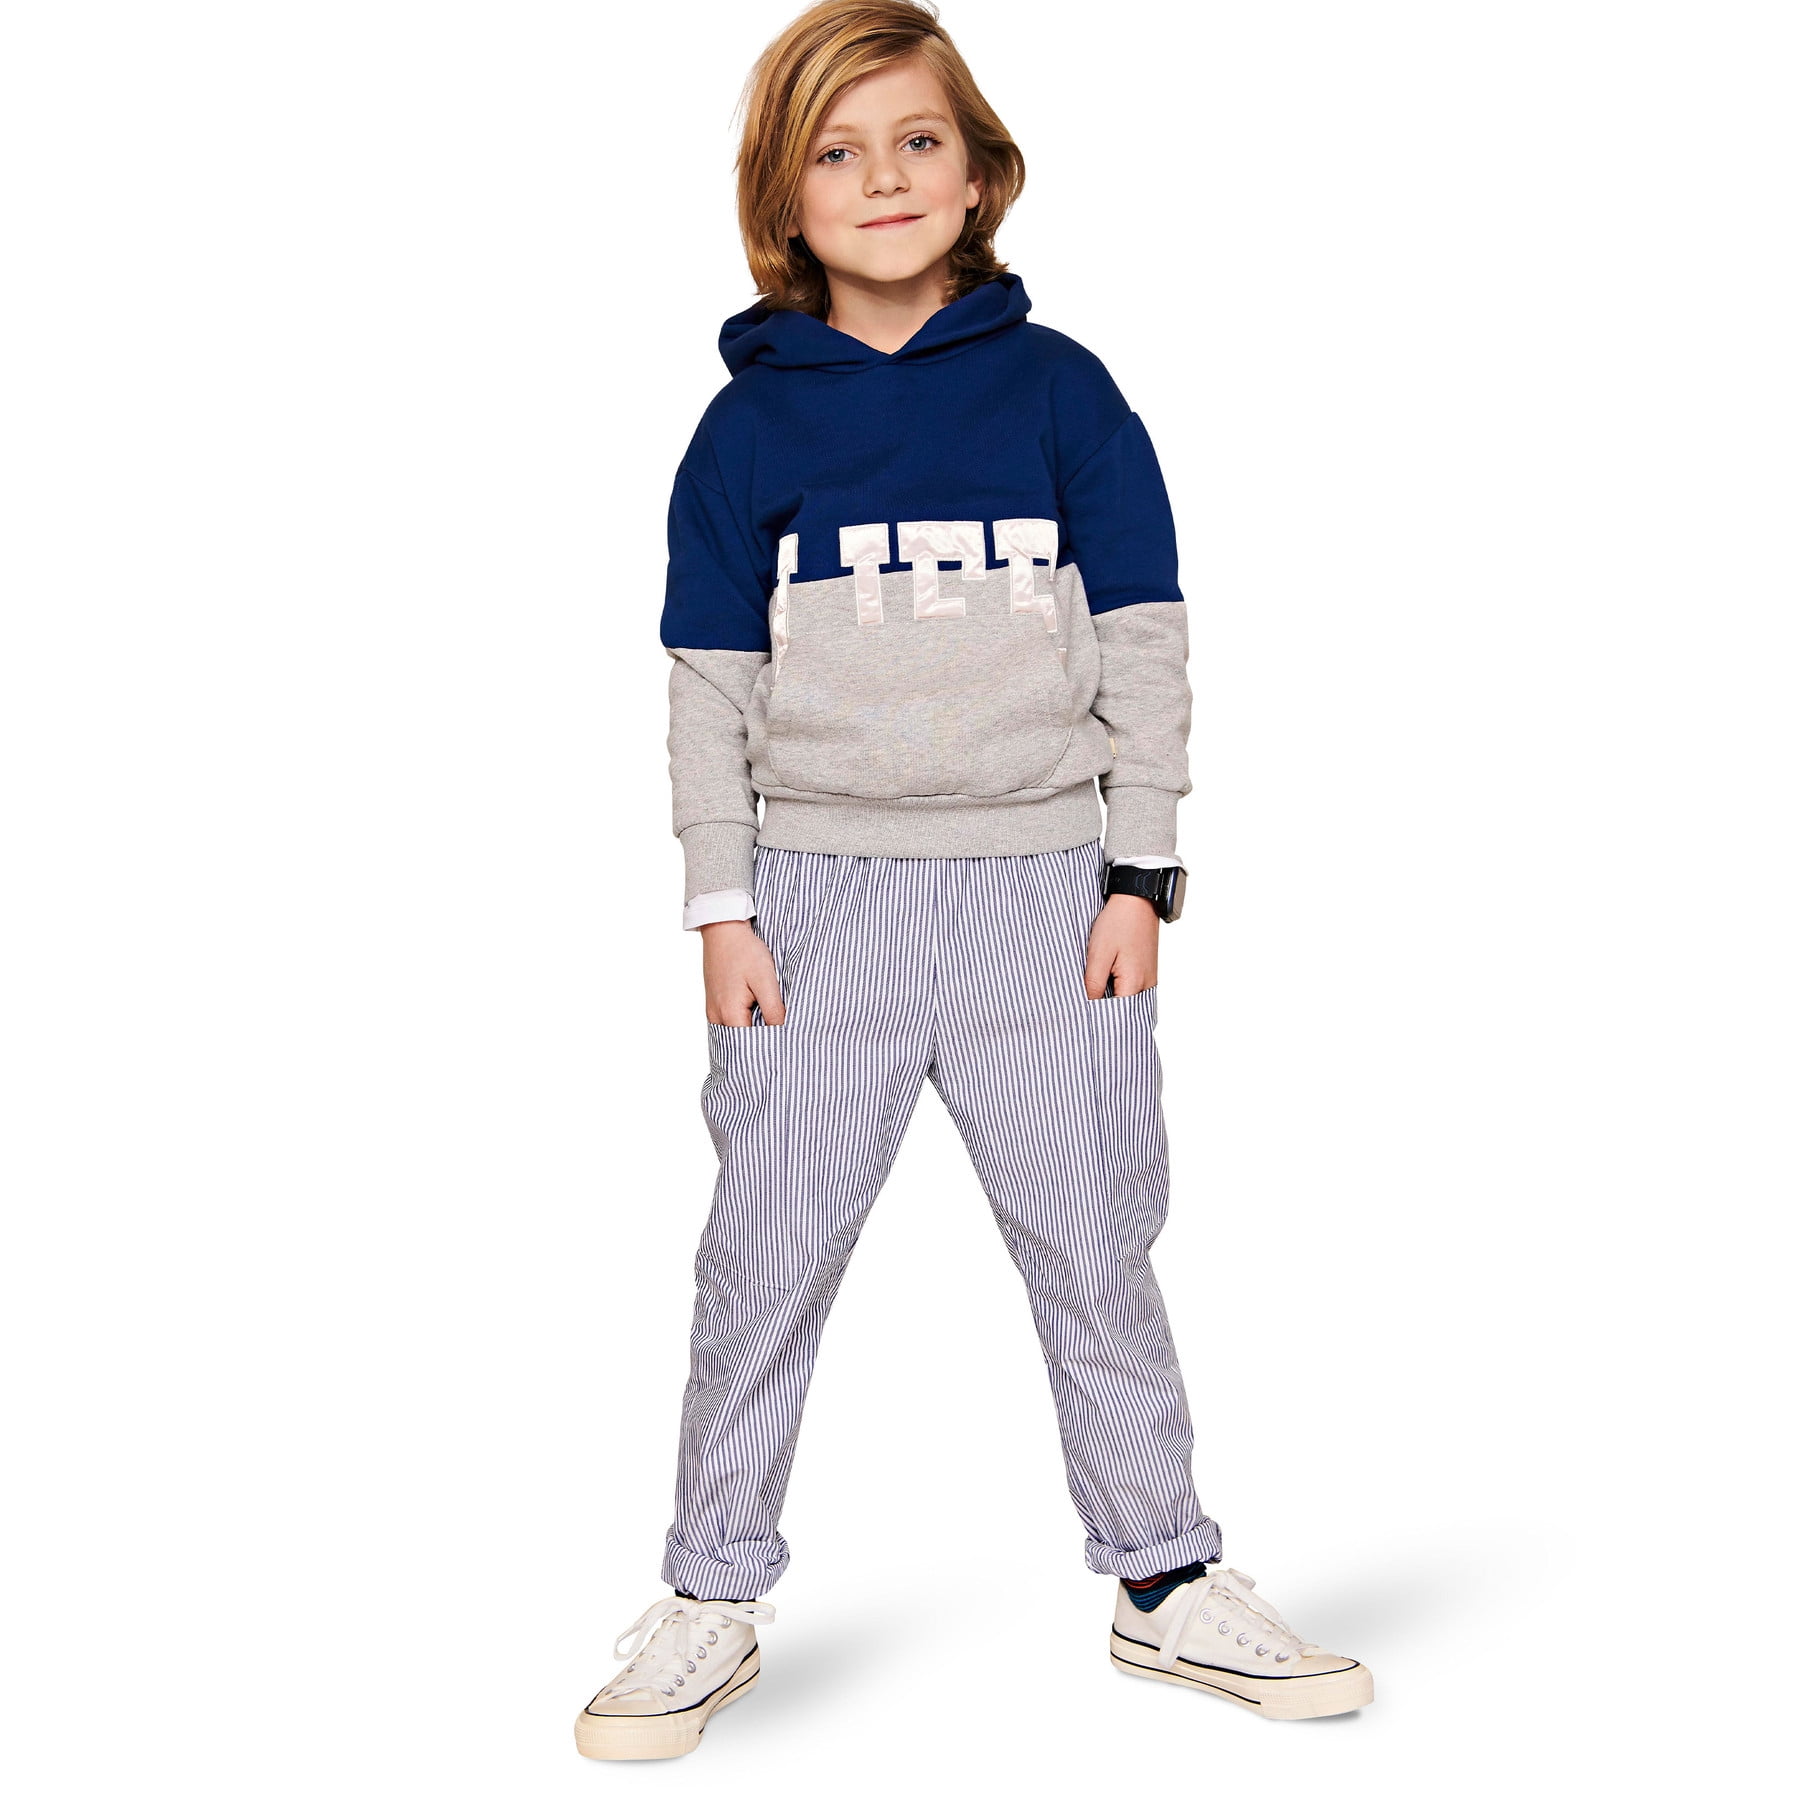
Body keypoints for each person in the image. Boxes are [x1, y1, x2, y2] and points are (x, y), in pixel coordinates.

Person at [575, 0, 1372, 1761]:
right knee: (763, 1263)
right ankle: (710, 1591)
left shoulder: (1064, 391)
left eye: (918, 139)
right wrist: (720, 905)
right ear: (783, 198)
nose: (883, 177)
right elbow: (707, 685)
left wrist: (1140, 871)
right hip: (815, 911)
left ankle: (1165, 1579)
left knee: (1097, 1249)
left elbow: (1146, 641)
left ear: (981, 170)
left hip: (1045, 902)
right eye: (837, 151)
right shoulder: (744, 431)